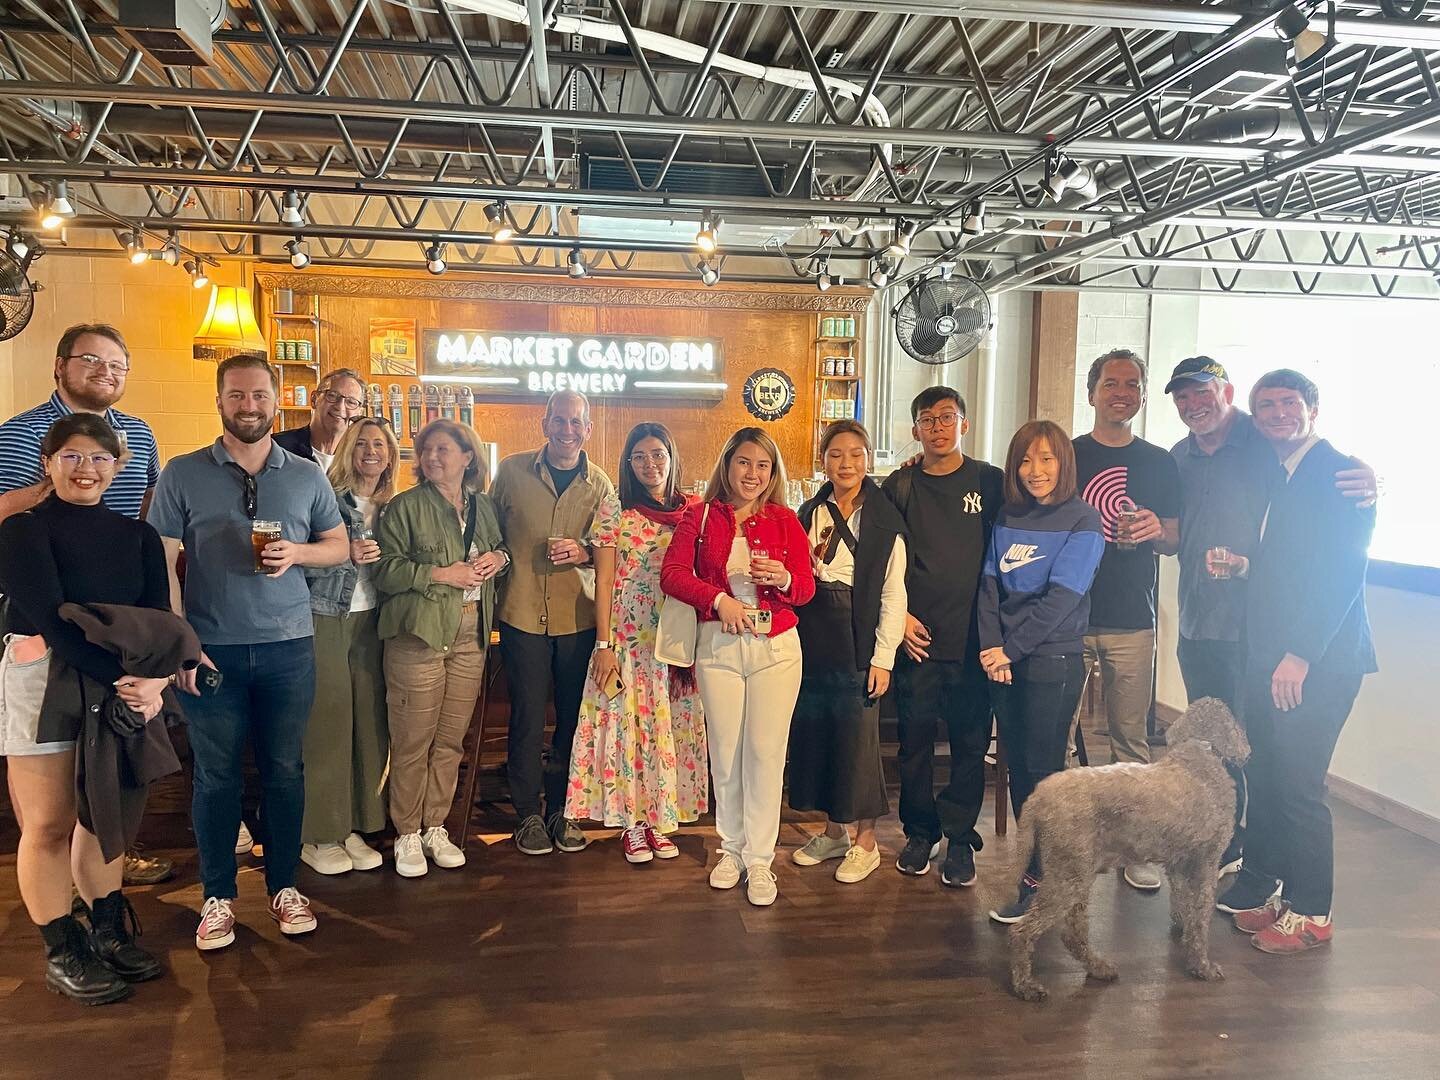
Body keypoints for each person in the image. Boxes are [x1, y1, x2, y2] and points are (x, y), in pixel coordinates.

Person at [148, 353, 349, 951]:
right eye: (237, 395)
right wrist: (180, 645)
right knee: (215, 776)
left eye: (260, 395)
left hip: (290, 647)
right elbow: (160, 560)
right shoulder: (183, 472)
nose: (249, 406)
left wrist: (297, 554)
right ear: (220, 401)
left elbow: (337, 545)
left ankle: (285, 886)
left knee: (285, 770)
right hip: (213, 654)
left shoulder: (306, 475)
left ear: (276, 399)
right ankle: (218, 897)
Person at [1166, 355, 1378, 875]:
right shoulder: (1178, 456)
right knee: (1215, 745)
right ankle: (1228, 845)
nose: (1194, 404)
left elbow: (1338, 550)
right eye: (1183, 396)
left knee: (1274, 764)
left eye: (1203, 391)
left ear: (1228, 393)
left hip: (1266, 636)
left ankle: (1271, 875)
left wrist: (1366, 479)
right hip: (1201, 622)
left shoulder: (1268, 445)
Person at [0, 414, 173, 1003]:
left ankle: (105, 928)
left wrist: (154, 681)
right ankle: (61, 947)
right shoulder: (22, 531)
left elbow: (158, 621)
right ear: (47, 464)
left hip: (120, 682)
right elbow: (50, 620)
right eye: (72, 457)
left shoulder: (139, 537)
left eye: (100, 459)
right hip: (43, 674)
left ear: (118, 467)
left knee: (105, 811)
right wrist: (128, 676)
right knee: (48, 821)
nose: (86, 469)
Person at [0, 323, 171, 888]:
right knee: (47, 802)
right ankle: (55, 889)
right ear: (59, 365)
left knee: (105, 771)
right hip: (41, 617)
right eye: (92, 361)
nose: (106, 372)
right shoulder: (18, 433)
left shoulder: (139, 436)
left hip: (115, 625)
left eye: (118, 365)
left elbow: (143, 517)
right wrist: (47, 492)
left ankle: (101, 880)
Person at [1216, 370, 1376, 955]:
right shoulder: (1286, 473)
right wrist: (1245, 567)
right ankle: (1282, 893)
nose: (1277, 414)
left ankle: (1313, 912)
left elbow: (1340, 575)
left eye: (1288, 403)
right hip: (1273, 657)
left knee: (1300, 786)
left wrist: (1300, 655)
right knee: (1273, 777)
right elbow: (1293, 566)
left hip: (1316, 662)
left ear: (1312, 407)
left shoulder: (1340, 474)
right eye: (1266, 406)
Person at [660, 427, 815, 907]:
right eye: (744, 462)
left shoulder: (786, 519)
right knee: (725, 754)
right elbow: (673, 575)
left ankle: (761, 860)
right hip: (719, 646)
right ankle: (730, 849)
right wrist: (718, 599)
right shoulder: (700, 516)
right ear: (728, 465)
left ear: (773, 474)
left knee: (766, 754)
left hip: (776, 649)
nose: (752, 474)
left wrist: (787, 577)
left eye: (763, 466)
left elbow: (806, 589)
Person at [979, 420, 1104, 924]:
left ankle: (1044, 878)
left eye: (1047, 459)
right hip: (1004, 658)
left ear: (1064, 463)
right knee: (1019, 769)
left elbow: (1061, 600)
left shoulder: (1083, 521)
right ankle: (1042, 869)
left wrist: (1010, 649)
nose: (1036, 471)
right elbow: (989, 585)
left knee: (1044, 772)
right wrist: (992, 647)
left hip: (1052, 658)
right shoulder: (1009, 514)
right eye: (1027, 460)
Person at [565, 423, 708, 863]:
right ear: (629, 463)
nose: (650, 464)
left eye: (658, 454)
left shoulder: (695, 511)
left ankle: (662, 819)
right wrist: (603, 644)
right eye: (640, 456)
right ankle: (633, 824)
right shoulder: (616, 510)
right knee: (629, 730)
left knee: (667, 728)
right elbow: (603, 579)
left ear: (672, 456)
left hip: (678, 637)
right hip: (629, 637)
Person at [373, 419, 508, 877]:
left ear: (468, 457)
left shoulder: (483, 507)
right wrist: (440, 574)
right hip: (419, 635)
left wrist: (499, 558)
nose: (432, 457)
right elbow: (385, 572)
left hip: (472, 634)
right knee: (412, 741)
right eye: (426, 450)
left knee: (451, 740)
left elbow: (501, 548)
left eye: (443, 449)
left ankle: (436, 825)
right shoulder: (403, 508)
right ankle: (407, 831)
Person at [881, 387, 1004, 887]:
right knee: (913, 745)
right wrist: (902, 618)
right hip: (918, 642)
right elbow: (883, 561)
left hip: (976, 641)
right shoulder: (901, 485)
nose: (937, 426)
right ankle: (919, 832)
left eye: (946, 417)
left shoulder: (990, 482)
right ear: (914, 430)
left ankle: (959, 838)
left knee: (971, 746)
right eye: (927, 419)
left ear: (964, 424)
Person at [1072, 348, 1180, 892]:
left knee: (1130, 741)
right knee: (1060, 740)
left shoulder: (1160, 462)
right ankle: (1071, 845)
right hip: (1066, 618)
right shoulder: (1066, 456)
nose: (1121, 391)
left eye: (1132, 384)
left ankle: (1137, 847)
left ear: (1141, 394)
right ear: (1091, 391)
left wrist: (1157, 530)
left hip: (1132, 619)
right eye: (1110, 382)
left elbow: (1178, 536)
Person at [490, 391, 614, 856]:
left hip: (577, 619)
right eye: (559, 420)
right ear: (544, 424)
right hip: (521, 615)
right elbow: (487, 530)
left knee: (571, 721)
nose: (567, 429)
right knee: (524, 719)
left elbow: (607, 550)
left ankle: (562, 810)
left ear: (588, 429)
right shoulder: (511, 472)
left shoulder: (600, 485)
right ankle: (526, 816)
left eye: (575, 422)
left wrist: (583, 552)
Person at [788, 420, 907, 884]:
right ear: (823, 461)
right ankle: (834, 831)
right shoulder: (809, 511)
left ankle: (866, 842)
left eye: (856, 454)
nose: (846, 463)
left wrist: (883, 658)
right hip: (814, 637)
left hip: (858, 638)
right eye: (836, 454)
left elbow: (894, 595)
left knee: (860, 740)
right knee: (821, 735)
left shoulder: (883, 517)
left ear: (868, 458)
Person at [299, 417, 401, 875]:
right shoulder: (322, 493)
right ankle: (320, 833)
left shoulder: (395, 506)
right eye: (362, 443)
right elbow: (293, 560)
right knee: (328, 724)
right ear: (347, 450)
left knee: (369, 722)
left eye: (380, 444)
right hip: (326, 617)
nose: (371, 451)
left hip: (375, 620)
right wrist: (344, 555)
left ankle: (356, 824)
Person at [273, 368, 368, 471]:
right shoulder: (278, 448)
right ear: (314, 399)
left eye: (351, 402)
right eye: (332, 396)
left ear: (360, 412)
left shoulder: (360, 458)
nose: (340, 407)